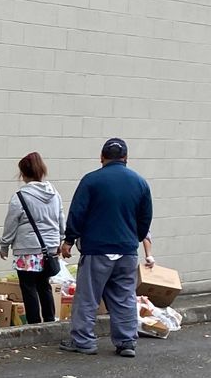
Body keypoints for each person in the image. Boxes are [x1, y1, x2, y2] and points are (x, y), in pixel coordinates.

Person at [59, 137, 154, 358]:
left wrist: (69, 240)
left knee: (88, 297)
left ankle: (83, 341)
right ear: (126, 158)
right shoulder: (140, 182)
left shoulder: (91, 181)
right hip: (127, 250)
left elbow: (77, 213)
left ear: (102, 158)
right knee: (124, 297)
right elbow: (145, 218)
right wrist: (135, 237)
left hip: (97, 249)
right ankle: (126, 341)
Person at [0, 152, 64, 326]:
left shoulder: (20, 197)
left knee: (28, 287)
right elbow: (60, 218)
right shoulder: (54, 194)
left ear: (23, 174)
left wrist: (4, 245)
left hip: (27, 250)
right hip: (49, 248)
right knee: (44, 285)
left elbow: (10, 224)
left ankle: (34, 324)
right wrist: (61, 241)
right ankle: (49, 321)